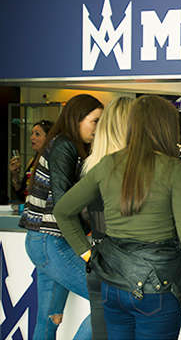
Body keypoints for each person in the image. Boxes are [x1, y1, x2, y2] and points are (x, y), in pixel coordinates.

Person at [54, 95, 181, 340]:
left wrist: (86, 252)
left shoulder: (107, 164)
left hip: (113, 283)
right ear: (165, 127)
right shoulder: (172, 168)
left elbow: (63, 211)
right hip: (158, 285)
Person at [19, 94, 103, 340]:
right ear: (78, 118)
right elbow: (65, 202)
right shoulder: (65, 145)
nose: (98, 128)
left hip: (45, 240)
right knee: (107, 300)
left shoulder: (65, 144)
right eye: (95, 121)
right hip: (51, 241)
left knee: (49, 319)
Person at [81, 96, 133, 340]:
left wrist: (88, 252)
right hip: (126, 269)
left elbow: (91, 219)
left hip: (100, 263)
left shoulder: (91, 165)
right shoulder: (131, 171)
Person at [9, 119, 53, 201]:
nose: (32, 137)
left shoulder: (52, 162)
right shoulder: (33, 160)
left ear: (49, 138)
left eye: (37, 134)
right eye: (32, 133)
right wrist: (15, 175)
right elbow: (22, 194)